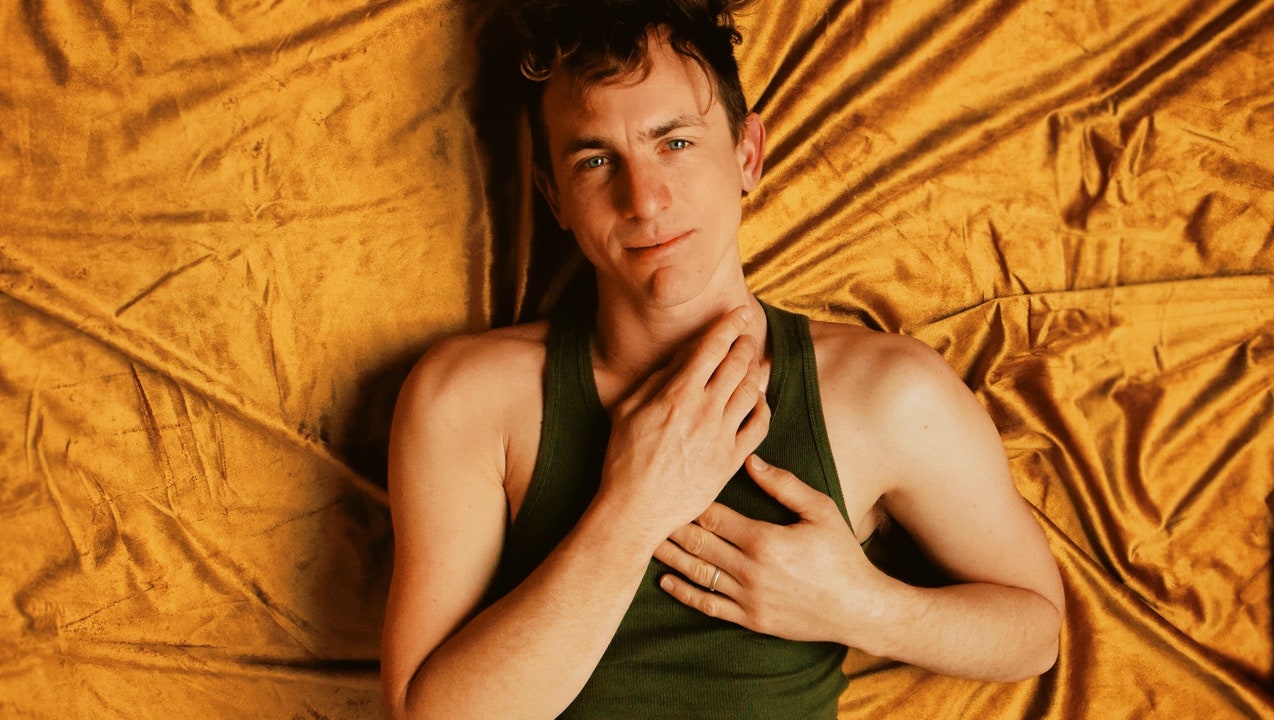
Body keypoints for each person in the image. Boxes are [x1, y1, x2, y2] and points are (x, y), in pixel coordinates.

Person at [380, 1, 1065, 718]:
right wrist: (632, 509)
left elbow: (1034, 633)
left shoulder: (888, 394)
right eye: (596, 160)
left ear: (747, 154)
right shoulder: (466, 398)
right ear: (555, 196)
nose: (644, 200)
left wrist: (858, 606)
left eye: (674, 143)